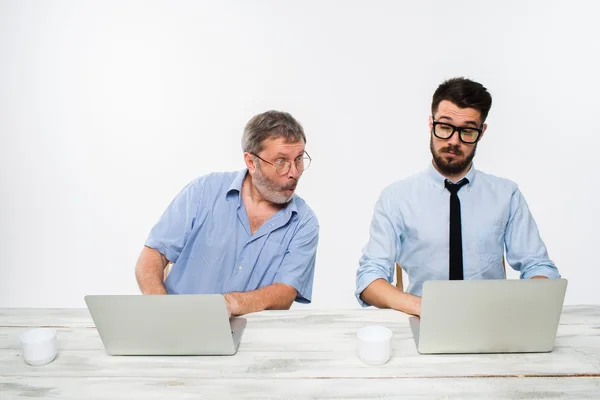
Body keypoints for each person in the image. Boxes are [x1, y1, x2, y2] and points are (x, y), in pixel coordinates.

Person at [355, 77, 560, 316]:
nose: (454, 141)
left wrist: (518, 306)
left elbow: (539, 265)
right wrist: (424, 308)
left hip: (492, 323)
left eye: (467, 131)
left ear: (481, 133)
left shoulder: (507, 194)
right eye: (445, 127)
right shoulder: (396, 198)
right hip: (423, 320)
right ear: (431, 124)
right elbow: (369, 278)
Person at [136, 110, 319, 316]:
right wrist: (159, 306)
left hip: (252, 339)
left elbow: (285, 293)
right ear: (251, 162)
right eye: (281, 162)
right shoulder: (203, 191)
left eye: (298, 159)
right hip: (177, 327)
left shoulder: (304, 222)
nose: (294, 172)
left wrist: (228, 304)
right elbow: (154, 255)